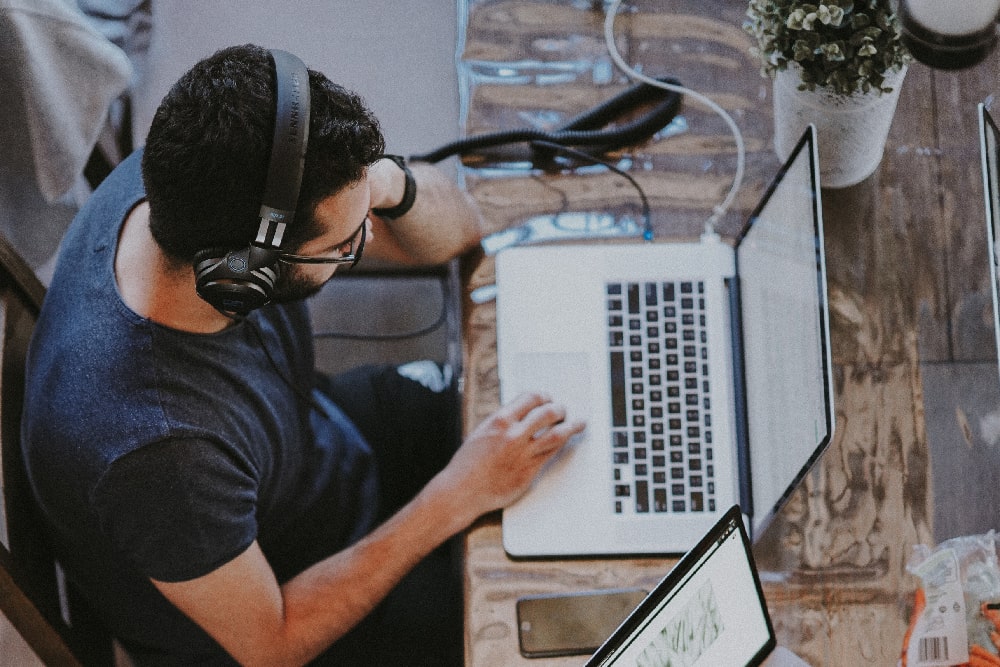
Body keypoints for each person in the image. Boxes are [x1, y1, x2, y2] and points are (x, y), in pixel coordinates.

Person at [21, 44, 584, 666]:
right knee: (555, 618)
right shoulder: (157, 454)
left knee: (573, 439)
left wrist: (382, 182)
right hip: (293, 606)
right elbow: (273, 644)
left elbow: (461, 230)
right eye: (345, 245)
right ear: (245, 276)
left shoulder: (185, 180)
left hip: (315, 452)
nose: (366, 241)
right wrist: (456, 495)